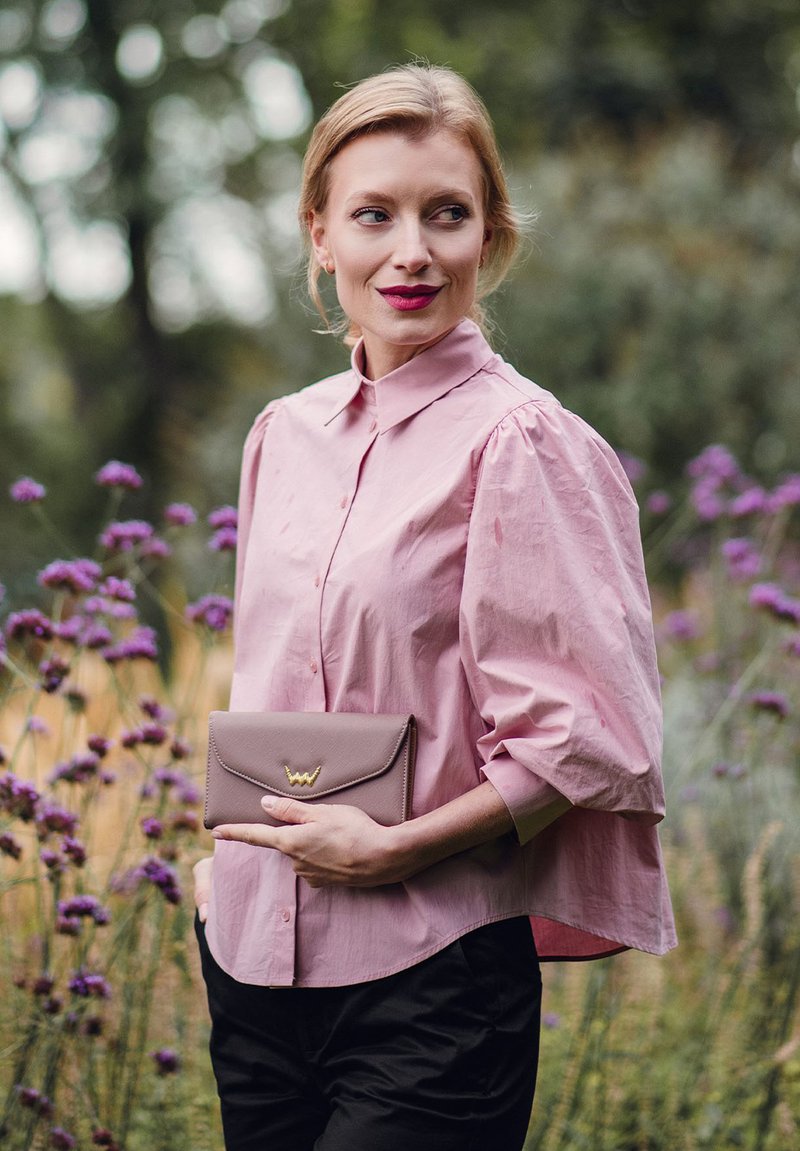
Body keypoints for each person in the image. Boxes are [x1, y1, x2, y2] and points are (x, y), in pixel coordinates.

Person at [193, 62, 677, 1151]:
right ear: (321, 234)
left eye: (445, 214)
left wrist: (396, 849)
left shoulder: (524, 443)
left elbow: (591, 736)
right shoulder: (282, 434)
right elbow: (272, 678)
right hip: (250, 957)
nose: (410, 249)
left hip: (431, 981)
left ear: (488, 236)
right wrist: (219, 872)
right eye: (374, 214)